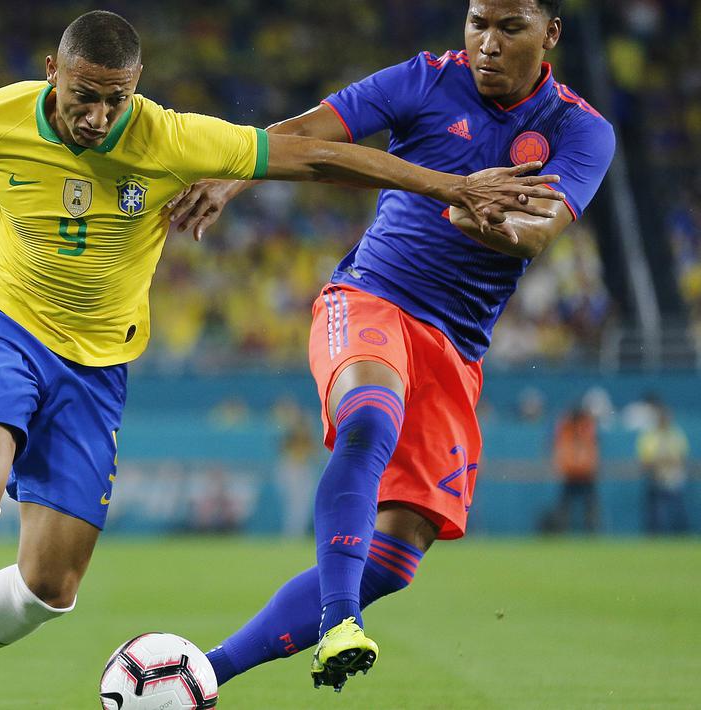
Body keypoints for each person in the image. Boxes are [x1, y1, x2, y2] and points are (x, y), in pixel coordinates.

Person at [0, 10, 561, 709]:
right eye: (83, 96)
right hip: (3, 326)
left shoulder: (169, 137)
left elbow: (319, 160)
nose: (97, 117)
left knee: (48, 589)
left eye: (115, 99)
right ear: (52, 72)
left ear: (136, 89)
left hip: (97, 367)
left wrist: (450, 185)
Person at [167, 0, 615, 692]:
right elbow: (304, 133)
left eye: (508, 27)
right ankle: (340, 622)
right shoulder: (424, 80)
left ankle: (199, 678)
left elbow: (537, 231)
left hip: (455, 348)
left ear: (549, 33)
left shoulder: (579, 128)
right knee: (369, 415)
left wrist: (478, 214)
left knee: (394, 556)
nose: (485, 43)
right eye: (476, 23)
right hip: (369, 299)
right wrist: (232, 176)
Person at [638, 400, 690, 534]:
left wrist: (665, 461)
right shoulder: (650, 435)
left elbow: (681, 458)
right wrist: (662, 461)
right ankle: (656, 536)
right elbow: (646, 461)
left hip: (674, 478)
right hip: (656, 478)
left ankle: (680, 535)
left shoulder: (676, 434)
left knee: (678, 510)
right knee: (657, 511)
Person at [548, 406, 600, 533]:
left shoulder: (586, 428)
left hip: (585, 474)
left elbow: (593, 450)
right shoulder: (566, 429)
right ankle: (561, 530)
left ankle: (592, 530)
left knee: (589, 506)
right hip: (570, 474)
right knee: (565, 506)